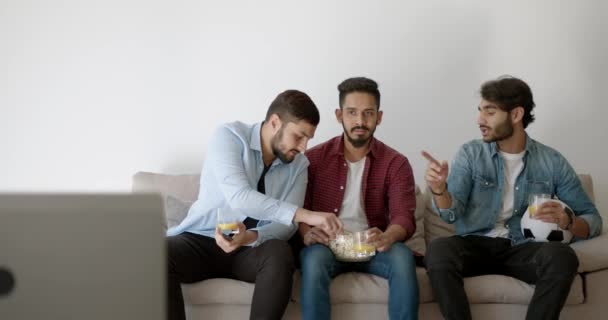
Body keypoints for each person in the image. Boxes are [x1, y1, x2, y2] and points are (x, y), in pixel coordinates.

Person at [422, 76, 602, 320]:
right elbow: (451, 213)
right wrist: (439, 189)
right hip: (475, 245)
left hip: (523, 248)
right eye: (480, 111)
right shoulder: (471, 154)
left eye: (490, 112)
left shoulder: (552, 161)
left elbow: (592, 219)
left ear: (516, 114)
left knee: (563, 257)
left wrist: (568, 221)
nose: (480, 120)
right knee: (439, 249)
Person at [166, 89, 343, 320]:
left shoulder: (299, 165)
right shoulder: (228, 136)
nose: (304, 147)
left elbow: (286, 227)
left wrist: (249, 237)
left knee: (280, 252)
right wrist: (306, 215)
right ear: (275, 122)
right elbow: (239, 196)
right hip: (201, 239)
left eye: (309, 139)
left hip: (250, 250)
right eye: (299, 137)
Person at [298, 77, 419, 320]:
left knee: (403, 257)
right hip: (328, 246)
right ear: (339, 115)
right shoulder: (313, 159)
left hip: (374, 246)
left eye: (368, 113)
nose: (360, 122)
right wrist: (306, 233)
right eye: (352, 113)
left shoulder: (396, 163)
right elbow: (299, 209)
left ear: (379, 117)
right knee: (313, 261)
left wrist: (388, 236)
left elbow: (404, 216)